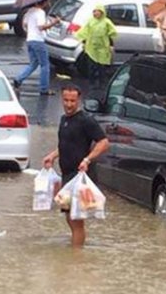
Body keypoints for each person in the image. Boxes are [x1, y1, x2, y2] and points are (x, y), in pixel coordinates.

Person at [42, 85, 109, 247]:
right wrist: (52, 155)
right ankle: (74, 253)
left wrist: (87, 159)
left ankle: (76, 256)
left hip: (80, 177)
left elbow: (104, 142)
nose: (69, 104)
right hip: (66, 176)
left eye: (72, 101)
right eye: (66, 100)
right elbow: (65, 144)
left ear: (78, 100)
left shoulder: (86, 120)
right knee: (68, 216)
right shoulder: (64, 120)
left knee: (76, 219)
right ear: (61, 99)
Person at [12, 0, 60, 96]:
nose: (48, 3)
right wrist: (54, 22)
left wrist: (30, 31)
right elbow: (41, 27)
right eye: (47, 1)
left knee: (33, 64)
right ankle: (44, 89)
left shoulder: (30, 11)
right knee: (45, 65)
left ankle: (18, 79)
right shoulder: (40, 12)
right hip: (38, 41)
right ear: (43, 2)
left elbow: (24, 24)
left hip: (30, 40)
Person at [75, 5, 117, 98]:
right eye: (94, 11)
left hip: (103, 48)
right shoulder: (90, 22)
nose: (95, 13)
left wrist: (111, 45)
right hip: (91, 48)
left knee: (102, 66)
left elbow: (110, 34)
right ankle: (92, 84)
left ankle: (102, 85)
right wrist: (84, 42)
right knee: (91, 66)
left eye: (97, 11)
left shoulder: (106, 22)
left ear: (102, 12)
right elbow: (85, 32)